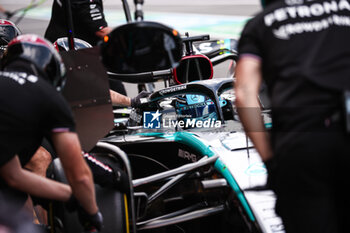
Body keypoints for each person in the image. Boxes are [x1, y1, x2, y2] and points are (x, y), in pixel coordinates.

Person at [235, 0, 350, 232]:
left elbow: (244, 94)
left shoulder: (259, 24)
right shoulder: (345, 8)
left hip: (300, 144)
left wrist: (269, 159)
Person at [0, 34, 103, 231]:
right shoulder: (48, 96)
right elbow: (79, 174)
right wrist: (91, 211)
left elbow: (13, 175)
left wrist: (70, 196)